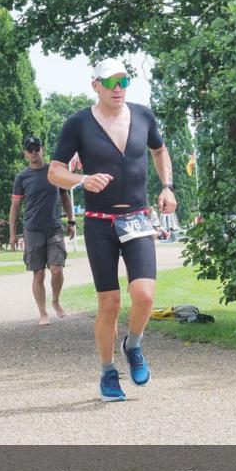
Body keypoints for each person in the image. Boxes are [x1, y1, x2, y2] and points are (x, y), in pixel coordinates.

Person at [48, 58, 177, 402]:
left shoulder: (143, 115)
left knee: (145, 295)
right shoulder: (78, 123)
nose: (118, 88)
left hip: (137, 219)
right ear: (95, 85)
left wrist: (167, 187)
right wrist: (82, 180)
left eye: (124, 81)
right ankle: (107, 372)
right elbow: (55, 171)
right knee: (109, 302)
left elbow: (160, 151)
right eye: (110, 82)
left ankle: (133, 345)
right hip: (99, 223)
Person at [9, 136, 76, 325]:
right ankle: (43, 313)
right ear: (25, 154)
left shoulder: (53, 172)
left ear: (42, 150)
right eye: (30, 150)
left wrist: (71, 221)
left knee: (56, 269)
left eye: (36, 149)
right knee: (38, 273)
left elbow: (65, 197)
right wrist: (12, 234)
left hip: (54, 228)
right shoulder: (22, 177)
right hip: (33, 230)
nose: (34, 153)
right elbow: (15, 206)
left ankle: (55, 301)